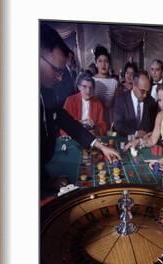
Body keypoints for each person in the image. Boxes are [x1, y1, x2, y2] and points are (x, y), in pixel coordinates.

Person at [39, 24, 119, 187]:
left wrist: (100, 146)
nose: (60, 78)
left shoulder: (47, 92)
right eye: (56, 70)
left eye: (62, 72)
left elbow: (67, 123)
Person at [125, 82, 163, 155]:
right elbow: (152, 140)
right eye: (159, 100)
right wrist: (139, 141)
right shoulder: (160, 116)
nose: (161, 104)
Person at [62, 72, 108, 136]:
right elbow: (63, 123)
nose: (88, 91)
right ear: (79, 87)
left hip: (92, 136)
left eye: (91, 88)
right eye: (84, 87)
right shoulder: (70, 101)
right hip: (74, 136)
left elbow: (103, 125)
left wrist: (94, 127)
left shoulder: (98, 103)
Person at [113, 71, 157, 137]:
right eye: (142, 91)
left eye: (147, 92)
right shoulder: (121, 99)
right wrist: (135, 133)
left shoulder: (151, 102)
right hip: (124, 141)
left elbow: (152, 126)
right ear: (134, 85)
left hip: (144, 143)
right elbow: (118, 125)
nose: (145, 95)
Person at [92, 45, 118, 127]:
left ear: (109, 64)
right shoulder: (91, 81)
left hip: (110, 120)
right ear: (96, 63)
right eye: (100, 61)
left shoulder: (114, 82)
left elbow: (117, 105)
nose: (103, 64)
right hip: (94, 119)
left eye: (106, 61)